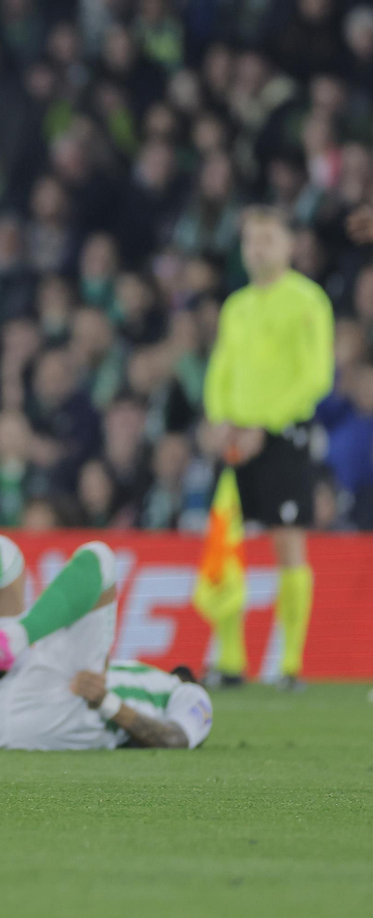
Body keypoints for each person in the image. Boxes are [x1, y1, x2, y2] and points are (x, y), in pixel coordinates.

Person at [0, 536, 214, 750]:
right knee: (4, 554)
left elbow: (175, 739)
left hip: (65, 714)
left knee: (100, 558)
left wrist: (106, 702)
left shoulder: (190, 695)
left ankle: (11, 640)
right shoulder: (137, 674)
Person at [199, 206, 334, 690]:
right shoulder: (236, 305)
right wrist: (219, 420)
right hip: (235, 438)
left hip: (280, 436)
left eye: (268, 239)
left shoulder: (307, 301)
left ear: (289, 245)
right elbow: (221, 369)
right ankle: (230, 659)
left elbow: (316, 376)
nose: (257, 248)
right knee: (225, 544)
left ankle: (289, 664)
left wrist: (264, 425)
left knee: (286, 539)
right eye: (251, 240)